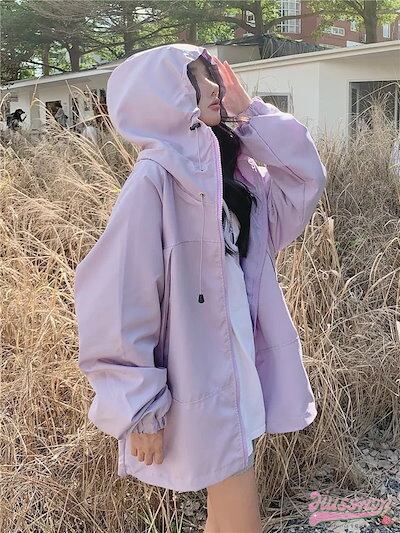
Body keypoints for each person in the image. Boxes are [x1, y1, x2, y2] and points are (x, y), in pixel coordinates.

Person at [74, 43, 327, 532]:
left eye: (211, 75)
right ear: (165, 95)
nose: (213, 87)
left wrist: (249, 116)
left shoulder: (233, 176)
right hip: (198, 377)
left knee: (226, 514)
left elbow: (304, 179)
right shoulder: (154, 180)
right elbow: (117, 298)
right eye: (196, 78)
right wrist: (139, 405)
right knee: (239, 517)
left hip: (238, 368)